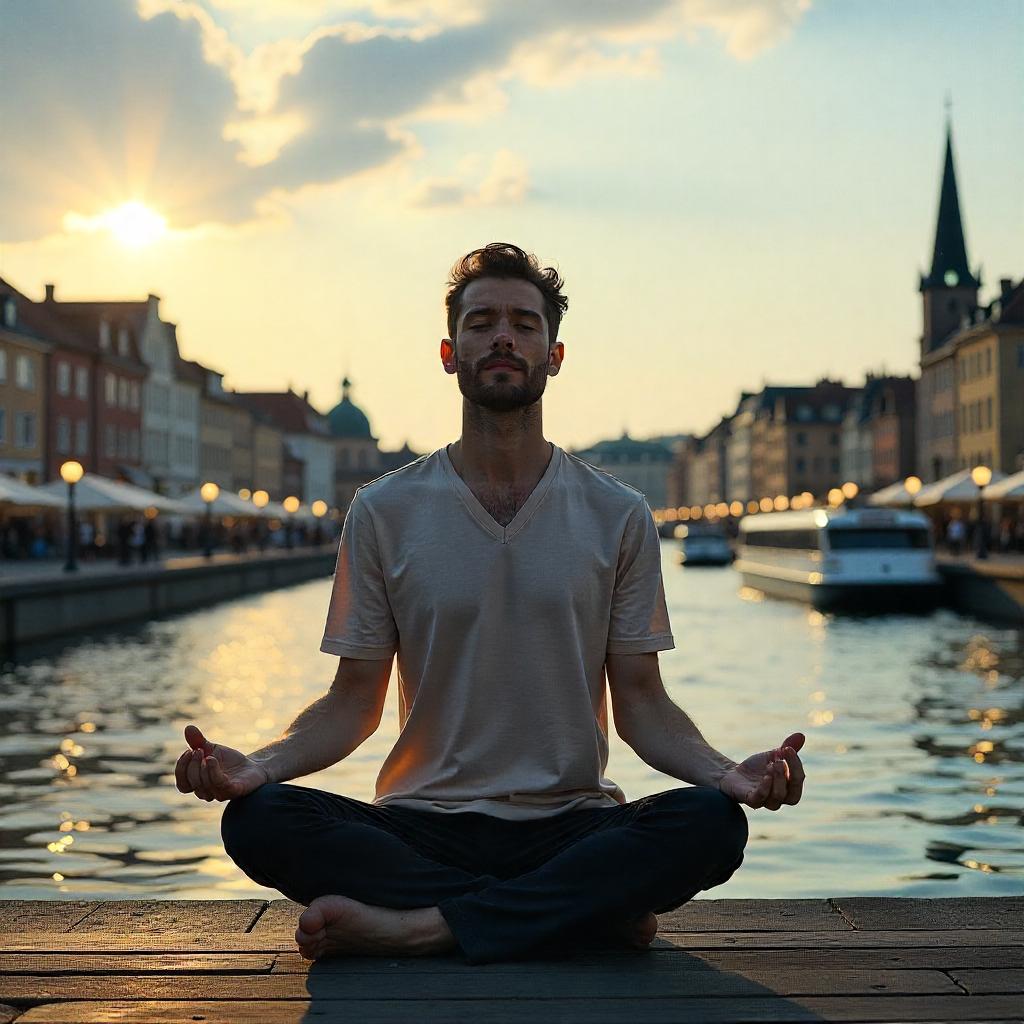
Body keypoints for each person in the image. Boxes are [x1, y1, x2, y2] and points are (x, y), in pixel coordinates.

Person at [174, 243, 806, 966]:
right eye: (481, 323)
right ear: (449, 352)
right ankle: (577, 911)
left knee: (710, 823)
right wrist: (256, 765)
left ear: (554, 354)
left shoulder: (618, 514)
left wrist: (727, 773)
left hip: (572, 818)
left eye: (523, 323)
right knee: (258, 820)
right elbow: (353, 704)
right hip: (421, 822)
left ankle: (424, 927)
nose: (503, 336)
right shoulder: (384, 510)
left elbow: (642, 706)